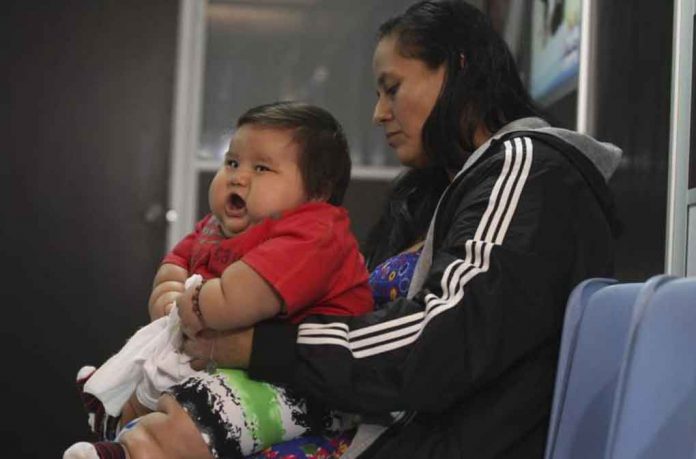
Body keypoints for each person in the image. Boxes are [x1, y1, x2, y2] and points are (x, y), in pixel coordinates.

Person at [78, 1, 623, 458]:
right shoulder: (438, 193)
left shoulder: (524, 162)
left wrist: (255, 346)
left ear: (456, 68)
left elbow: (441, 339)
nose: (378, 113)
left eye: (392, 88)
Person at [64, 101, 373, 458]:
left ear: (317, 193)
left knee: (200, 411)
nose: (238, 176)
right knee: (151, 365)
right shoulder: (217, 228)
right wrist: (169, 290)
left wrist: (195, 304)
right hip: (230, 358)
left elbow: (243, 297)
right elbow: (179, 259)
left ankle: (134, 452)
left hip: (304, 386)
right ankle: (114, 417)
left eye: (261, 168)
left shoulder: (315, 233)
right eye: (232, 162)